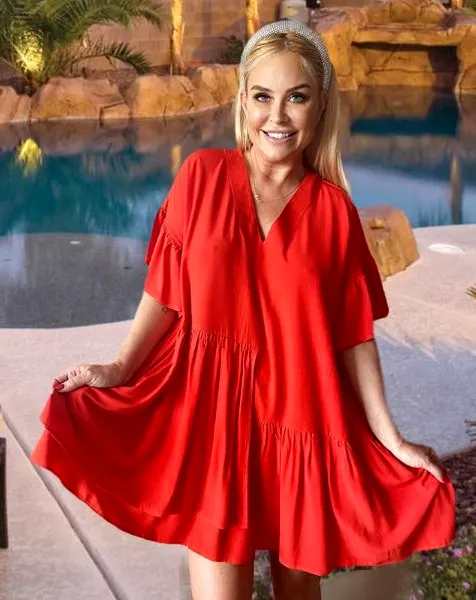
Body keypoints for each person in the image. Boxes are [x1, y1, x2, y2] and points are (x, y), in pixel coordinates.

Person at [32, 20, 456, 600]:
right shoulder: (201, 177)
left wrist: (391, 437)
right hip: (214, 420)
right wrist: (121, 367)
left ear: (320, 104)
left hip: (302, 417)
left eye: (296, 97)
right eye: (263, 96)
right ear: (243, 101)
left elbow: (353, 336)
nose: (277, 116)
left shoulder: (333, 212)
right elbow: (165, 292)